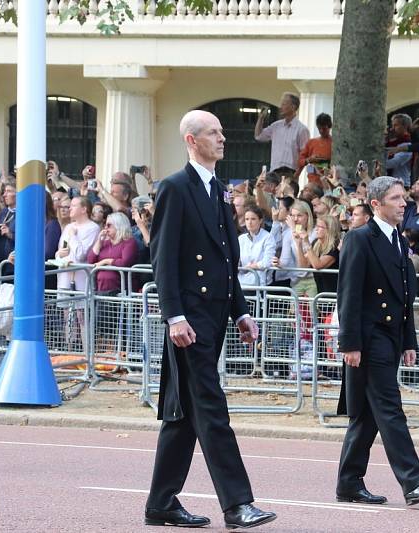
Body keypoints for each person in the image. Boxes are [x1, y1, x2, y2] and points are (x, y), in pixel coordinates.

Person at [145, 110, 275, 530]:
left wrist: (240, 310)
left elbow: (226, 260)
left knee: (183, 415)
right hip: (190, 321)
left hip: (214, 315)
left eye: (221, 132)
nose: (222, 138)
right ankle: (237, 504)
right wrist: (174, 316)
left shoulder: (218, 189)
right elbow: (162, 258)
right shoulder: (175, 187)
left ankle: (161, 502)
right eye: (212, 133)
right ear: (191, 140)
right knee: (211, 408)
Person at [336, 175, 419, 506]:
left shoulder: (398, 241)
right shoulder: (360, 239)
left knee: (367, 416)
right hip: (369, 337)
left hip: (390, 336)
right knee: (389, 407)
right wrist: (350, 344)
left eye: (404, 199)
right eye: (397, 198)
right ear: (375, 204)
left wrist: (409, 340)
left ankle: (349, 483)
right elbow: (349, 295)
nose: (403, 204)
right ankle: (413, 480)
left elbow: (404, 300)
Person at [254, 93, 309, 174]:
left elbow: (305, 155)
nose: (280, 107)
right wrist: (261, 118)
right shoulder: (276, 126)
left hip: (290, 172)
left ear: (293, 107)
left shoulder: (302, 129)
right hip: (274, 172)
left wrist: (297, 174)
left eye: (284, 104)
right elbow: (258, 136)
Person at [86, 212, 138, 294]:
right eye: (105, 225)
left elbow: (125, 262)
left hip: (121, 291)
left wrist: (106, 261)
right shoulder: (105, 243)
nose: (105, 228)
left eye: (109, 225)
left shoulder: (129, 242)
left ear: (119, 225)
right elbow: (90, 260)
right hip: (101, 290)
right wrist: (99, 242)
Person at [296, 214, 340, 294]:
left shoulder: (334, 246)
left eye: (320, 227)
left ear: (329, 229)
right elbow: (304, 265)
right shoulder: (316, 243)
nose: (316, 229)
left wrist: (306, 242)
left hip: (334, 292)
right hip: (321, 292)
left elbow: (318, 265)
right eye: (317, 226)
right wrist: (299, 244)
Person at [238, 204, 275, 286]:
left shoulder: (268, 237)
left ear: (260, 220)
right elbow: (237, 261)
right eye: (247, 219)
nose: (249, 222)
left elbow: (267, 262)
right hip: (241, 282)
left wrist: (252, 266)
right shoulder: (241, 238)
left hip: (260, 284)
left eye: (253, 219)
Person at [297, 113, 332, 184]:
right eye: (319, 128)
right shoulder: (311, 142)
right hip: (313, 183)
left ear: (329, 127)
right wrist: (309, 159)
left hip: (330, 184)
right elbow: (300, 161)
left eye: (324, 128)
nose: (321, 131)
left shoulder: (335, 143)